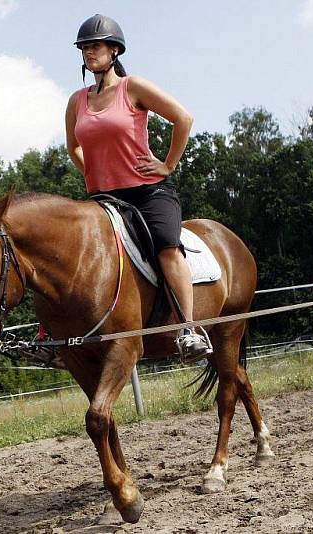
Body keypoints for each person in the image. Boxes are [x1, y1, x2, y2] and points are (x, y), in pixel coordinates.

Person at [65, 14, 211, 362]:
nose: (89, 52)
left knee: (166, 248)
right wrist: (94, 174)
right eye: (84, 48)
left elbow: (183, 118)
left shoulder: (134, 87)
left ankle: (188, 330)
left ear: (114, 50)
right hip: (104, 199)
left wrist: (168, 165)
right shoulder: (77, 101)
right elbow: (73, 146)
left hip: (149, 192)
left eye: (95, 46)